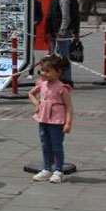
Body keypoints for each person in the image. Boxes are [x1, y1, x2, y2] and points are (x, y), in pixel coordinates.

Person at [28, 55, 74, 184]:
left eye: (48, 71)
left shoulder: (62, 88)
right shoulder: (42, 84)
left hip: (57, 120)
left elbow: (69, 107)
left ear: (58, 72)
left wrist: (68, 123)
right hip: (43, 119)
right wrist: (37, 104)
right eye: (42, 70)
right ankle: (47, 169)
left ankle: (58, 170)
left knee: (57, 146)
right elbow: (31, 93)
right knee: (45, 144)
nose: (44, 73)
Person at [47, 0, 79, 84]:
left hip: (62, 33)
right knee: (60, 56)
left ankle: (67, 79)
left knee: (63, 56)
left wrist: (61, 32)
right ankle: (62, 78)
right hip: (61, 32)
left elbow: (66, 18)